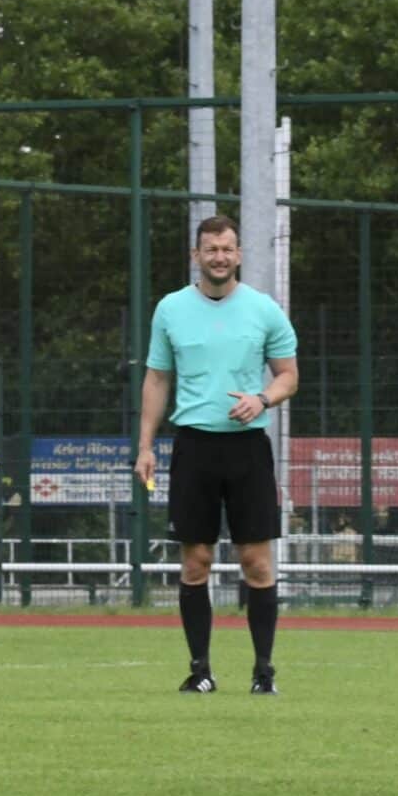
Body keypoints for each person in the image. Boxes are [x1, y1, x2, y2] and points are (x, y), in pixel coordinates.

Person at [135, 213, 299, 696]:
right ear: (196, 255)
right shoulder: (170, 309)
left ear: (239, 254)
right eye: (211, 249)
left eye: (227, 249)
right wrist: (145, 445)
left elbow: (288, 375)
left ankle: (263, 672)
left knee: (257, 562)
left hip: (248, 449)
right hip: (193, 447)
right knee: (196, 561)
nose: (220, 257)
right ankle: (200, 670)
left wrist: (262, 399)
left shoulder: (265, 310)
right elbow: (157, 378)